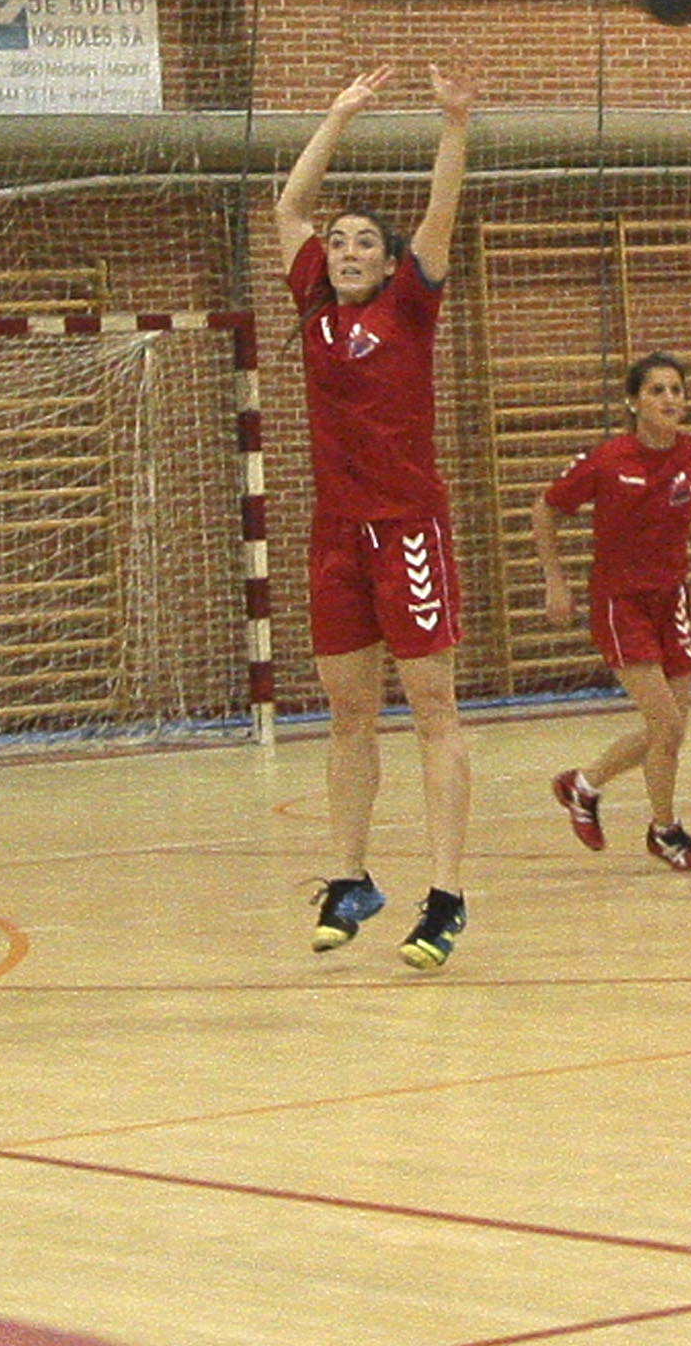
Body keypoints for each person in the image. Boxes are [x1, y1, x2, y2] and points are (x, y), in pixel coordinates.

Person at [276, 62, 478, 969]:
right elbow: (289, 205)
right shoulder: (314, 306)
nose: (349, 250)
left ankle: (445, 897)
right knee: (347, 712)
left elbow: (442, 210)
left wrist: (454, 125)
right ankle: (351, 877)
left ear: (392, 264)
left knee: (432, 710)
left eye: (366, 243)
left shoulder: (411, 303)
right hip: (335, 538)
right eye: (342, 242)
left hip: (408, 531)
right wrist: (337, 113)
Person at [536, 353, 691, 871]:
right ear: (634, 402)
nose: (670, 399)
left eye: (676, 389)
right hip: (620, 602)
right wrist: (555, 581)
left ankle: (588, 789)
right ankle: (663, 829)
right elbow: (546, 508)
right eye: (656, 390)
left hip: (671, 599)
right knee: (665, 723)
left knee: (671, 730)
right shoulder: (609, 459)